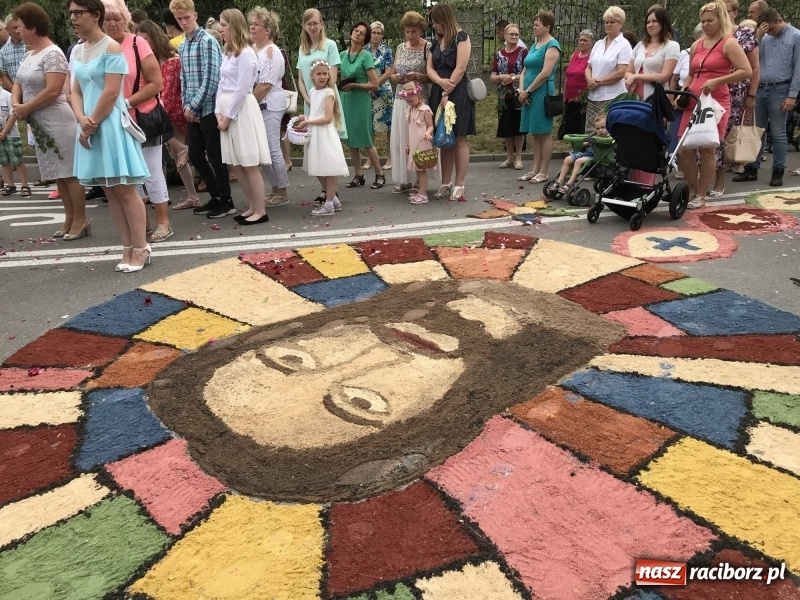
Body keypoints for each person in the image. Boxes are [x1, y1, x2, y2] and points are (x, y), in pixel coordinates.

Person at [68, 0, 151, 271]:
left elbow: (112, 92)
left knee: (125, 190)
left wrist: (91, 121)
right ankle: (127, 248)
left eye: (79, 13)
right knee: (110, 191)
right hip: (89, 125)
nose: (73, 18)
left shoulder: (112, 47)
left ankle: (141, 248)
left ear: (95, 15)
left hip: (111, 124)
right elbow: (75, 91)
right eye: (71, 13)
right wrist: (81, 120)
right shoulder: (77, 51)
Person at [102, 0, 173, 243]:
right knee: (129, 175)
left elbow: (156, 83)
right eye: (107, 18)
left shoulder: (137, 43)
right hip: (111, 120)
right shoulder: (96, 46)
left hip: (141, 117)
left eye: (117, 18)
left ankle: (163, 222)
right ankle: (143, 220)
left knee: (151, 171)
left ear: (126, 20)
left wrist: (127, 103)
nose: (112, 23)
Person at [12, 2, 82, 235]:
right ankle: (69, 218)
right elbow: (18, 83)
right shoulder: (30, 53)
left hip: (57, 118)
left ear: (32, 27)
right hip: (37, 120)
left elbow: (54, 90)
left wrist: (26, 107)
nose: (17, 31)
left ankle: (80, 219)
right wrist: (17, 104)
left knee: (69, 173)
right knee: (56, 174)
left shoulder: (53, 53)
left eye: (20, 26)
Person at [676, 0, 751, 209]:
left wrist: (718, 81)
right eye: (703, 21)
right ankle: (692, 188)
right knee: (684, 150)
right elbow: (691, 74)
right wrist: (681, 92)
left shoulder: (729, 42)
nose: (706, 24)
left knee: (707, 150)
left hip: (716, 102)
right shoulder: (696, 44)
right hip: (693, 101)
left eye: (710, 20)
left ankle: (701, 194)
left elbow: (746, 70)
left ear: (721, 19)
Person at [170, 0, 233, 218]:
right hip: (193, 109)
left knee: (215, 155)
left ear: (195, 15)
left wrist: (195, 104)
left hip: (209, 107)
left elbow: (212, 77)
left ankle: (226, 199)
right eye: (179, 19)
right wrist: (187, 105)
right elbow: (184, 77)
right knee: (195, 155)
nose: (184, 22)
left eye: (187, 17)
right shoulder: (183, 44)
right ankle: (216, 195)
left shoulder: (207, 41)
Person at [135, 19, 201, 212]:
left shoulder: (172, 59)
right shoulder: (149, 59)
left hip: (175, 109)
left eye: (146, 39)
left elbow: (177, 87)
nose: (143, 43)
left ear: (154, 37)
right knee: (164, 155)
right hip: (162, 109)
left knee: (174, 152)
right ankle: (179, 195)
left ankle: (190, 195)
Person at [215, 9, 270, 225]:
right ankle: (252, 206)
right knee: (236, 164)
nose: (220, 29)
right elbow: (221, 84)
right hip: (226, 110)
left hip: (241, 111)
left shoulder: (246, 53)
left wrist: (227, 117)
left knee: (248, 163)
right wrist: (217, 111)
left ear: (234, 26)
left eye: (224, 25)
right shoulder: (228, 52)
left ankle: (261, 210)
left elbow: (243, 88)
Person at [734, 7, 798, 187]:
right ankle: (752, 168)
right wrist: (759, 36)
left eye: (771, 28)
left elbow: (799, 67)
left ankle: (778, 170)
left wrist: (792, 95)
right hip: (761, 88)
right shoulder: (764, 36)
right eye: (766, 29)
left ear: (779, 20)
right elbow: (751, 57)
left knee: (778, 133)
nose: (769, 32)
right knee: (757, 131)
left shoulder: (795, 36)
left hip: (781, 88)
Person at [624, 6, 679, 185]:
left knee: (649, 142)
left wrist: (637, 77)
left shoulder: (671, 46)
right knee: (634, 140)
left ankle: (646, 185)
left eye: (655, 21)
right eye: (648, 21)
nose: (651, 24)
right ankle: (633, 181)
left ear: (663, 23)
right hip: (636, 98)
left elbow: (664, 76)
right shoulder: (640, 45)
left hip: (654, 100)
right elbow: (628, 70)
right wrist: (629, 80)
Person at [708, 0, 759, 195]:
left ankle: (720, 181)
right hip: (710, 92)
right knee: (706, 136)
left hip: (735, 94)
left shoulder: (744, 34)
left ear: (735, 13)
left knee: (725, 137)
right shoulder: (710, 34)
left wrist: (751, 95)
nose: (721, 15)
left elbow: (753, 67)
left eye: (725, 11)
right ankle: (702, 180)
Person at [427, 3, 475, 202]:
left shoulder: (461, 37)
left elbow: (461, 67)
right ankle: (445, 182)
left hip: (458, 92)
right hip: (439, 90)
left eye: (436, 22)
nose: (435, 26)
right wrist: (439, 82)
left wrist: (447, 90)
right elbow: (429, 68)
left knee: (459, 138)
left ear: (444, 19)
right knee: (443, 140)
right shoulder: (435, 43)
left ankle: (460, 183)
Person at [296, 8, 345, 204]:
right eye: (309, 24)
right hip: (311, 100)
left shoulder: (330, 45)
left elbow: (332, 75)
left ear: (321, 24)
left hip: (325, 99)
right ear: (304, 26)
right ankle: (327, 191)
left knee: (327, 146)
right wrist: (307, 98)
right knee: (313, 148)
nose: (313, 27)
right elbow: (300, 78)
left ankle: (332, 194)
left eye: (316, 23)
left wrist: (322, 96)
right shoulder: (302, 48)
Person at [292, 59, 349, 216]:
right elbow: (316, 112)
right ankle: (333, 200)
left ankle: (329, 203)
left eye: (325, 73)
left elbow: (327, 118)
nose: (323, 77)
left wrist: (309, 121)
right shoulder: (312, 92)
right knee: (317, 167)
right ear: (312, 75)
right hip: (315, 133)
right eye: (319, 74)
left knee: (329, 169)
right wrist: (306, 117)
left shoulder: (329, 93)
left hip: (325, 133)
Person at [250, 6, 289, 208]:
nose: (252, 27)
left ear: (268, 30)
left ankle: (281, 190)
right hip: (260, 105)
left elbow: (265, 85)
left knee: (272, 148)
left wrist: (248, 104)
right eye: (252, 24)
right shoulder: (256, 50)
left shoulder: (271, 53)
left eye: (257, 24)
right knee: (263, 149)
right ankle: (275, 188)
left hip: (270, 105)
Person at [389, 10, 431, 195]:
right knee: (402, 139)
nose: (410, 35)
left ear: (420, 30)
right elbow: (391, 73)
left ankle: (418, 179)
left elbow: (431, 76)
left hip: (420, 99)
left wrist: (418, 76)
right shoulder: (400, 47)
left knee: (416, 139)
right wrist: (396, 77)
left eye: (413, 31)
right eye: (407, 31)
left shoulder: (428, 47)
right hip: (401, 97)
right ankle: (404, 178)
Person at [517, 10, 561, 184]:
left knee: (544, 132)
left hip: (542, 92)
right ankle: (535, 169)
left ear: (547, 27)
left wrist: (528, 91)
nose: (533, 27)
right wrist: (522, 91)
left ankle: (544, 171)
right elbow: (524, 70)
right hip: (528, 92)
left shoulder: (552, 45)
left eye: (537, 24)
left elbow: (545, 72)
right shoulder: (535, 45)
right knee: (535, 133)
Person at [340, 22, 385, 190]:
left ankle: (380, 173)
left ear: (365, 39)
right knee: (351, 140)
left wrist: (356, 86)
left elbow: (374, 85)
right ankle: (358, 174)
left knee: (365, 139)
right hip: (346, 100)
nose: (357, 34)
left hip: (360, 100)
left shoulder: (365, 56)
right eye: (356, 31)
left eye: (362, 33)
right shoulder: (342, 55)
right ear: (351, 33)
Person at [585, 6, 632, 133]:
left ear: (621, 23)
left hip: (612, 97)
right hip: (593, 96)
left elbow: (621, 72)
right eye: (606, 22)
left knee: (608, 133)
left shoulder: (624, 45)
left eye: (612, 21)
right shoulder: (598, 44)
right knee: (591, 134)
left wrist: (599, 81)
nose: (608, 24)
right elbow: (588, 67)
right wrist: (589, 80)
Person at [490, 23, 527, 170]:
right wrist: (502, 77)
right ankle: (509, 157)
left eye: (516, 35)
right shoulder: (498, 55)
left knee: (518, 128)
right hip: (503, 97)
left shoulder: (523, 52)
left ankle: (518, 158)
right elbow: (492, 77)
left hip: (518, 94)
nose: (514, 37)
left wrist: (512, 78)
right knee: (506, 127)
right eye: (511, 34)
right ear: (505, 36)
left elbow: (527, 74)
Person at [362, 21, 393, 171]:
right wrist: (369, 86)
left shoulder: (387, 50)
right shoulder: (364, 50)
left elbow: (388, 72)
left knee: (388, 125)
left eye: (379, 33)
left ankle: (390, 157)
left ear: (382, 35)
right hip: (368, 90)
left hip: (383, 89)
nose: (376, 35)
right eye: (373, 32)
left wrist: (376, 85)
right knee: (370, 126)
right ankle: (370, 158)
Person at [399, 81, 435, 204]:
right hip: (414, 143)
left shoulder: (425, 110)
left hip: (423, 143)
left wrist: (428, 133)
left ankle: (423, 194)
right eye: (407, 101)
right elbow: (411, 129)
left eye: (411, 101)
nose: (409, 103)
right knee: (418, 170)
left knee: (422, 170)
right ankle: (420, 192)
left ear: (419, 95)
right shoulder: (410, 110)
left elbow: (431, 126)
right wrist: (408, 143)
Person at [554, 113, 609, 192]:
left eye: (603, 127)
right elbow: (588, 141)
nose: (600, 130)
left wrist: (592, 142)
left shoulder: (609, 137)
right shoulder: (595, 135)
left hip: (595, 157)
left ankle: (570, 183)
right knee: (567, 159)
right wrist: (586, 143)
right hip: (585, 154)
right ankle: (560, 181)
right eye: (597, 128)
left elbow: (605, 144)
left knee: (578, 161)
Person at [562, 29, 594, 138]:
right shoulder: (574, 55)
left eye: (585, 40)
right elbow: (568, 76)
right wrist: (564, 94)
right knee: (570, 127)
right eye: (580, 40)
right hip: (570, 98)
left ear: (591, 43)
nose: (582, 42)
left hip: (583, 99)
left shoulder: (592, 57)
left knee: (580, 128)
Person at [0, 85, 28, 196]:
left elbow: (13, 114)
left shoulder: (7, 95)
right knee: (4, 161)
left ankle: (24, 184)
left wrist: (3, 132)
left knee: (17, 160)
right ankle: (10, 184)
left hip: (11, 133)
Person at [0, 14, 26, 91]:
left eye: (19, 26)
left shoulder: (31, 45)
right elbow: (4, 76)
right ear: (8, 30)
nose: (18, 30)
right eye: (14, 28)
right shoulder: (3, 51)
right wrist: (16, 93)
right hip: (15, 96)